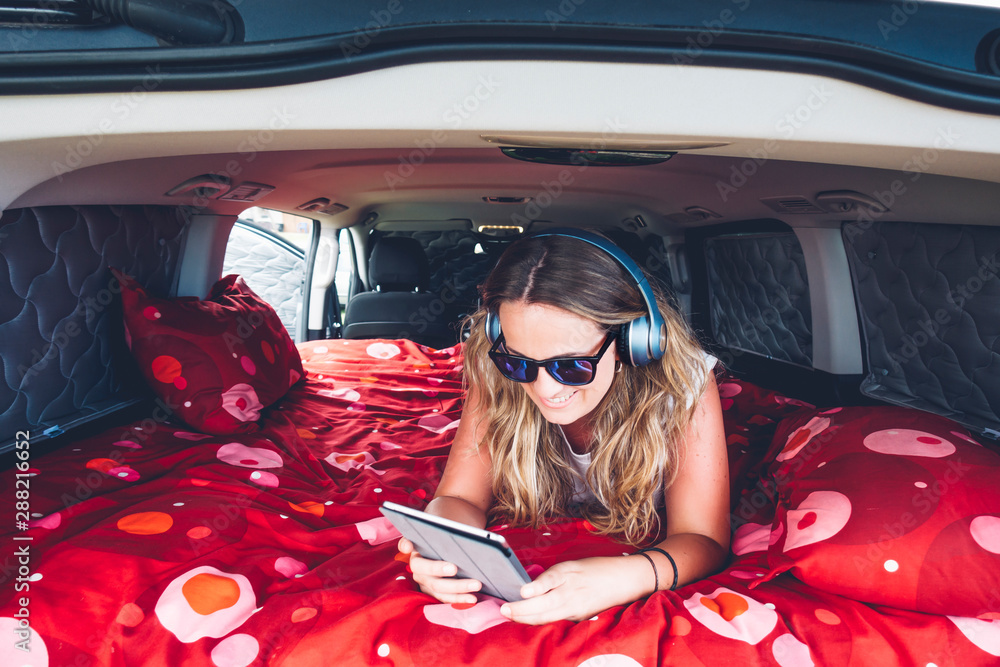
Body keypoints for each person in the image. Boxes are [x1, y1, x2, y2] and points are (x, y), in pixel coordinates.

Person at [397, 230, 730, 625]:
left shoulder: (686, 383)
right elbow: (460, 498)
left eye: (570, 365)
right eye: (520, 363)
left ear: (631, 344)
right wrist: (443, 544)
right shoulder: (495, 368)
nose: (545, 389)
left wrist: (630, 575)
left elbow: (704, 538)